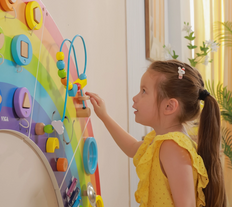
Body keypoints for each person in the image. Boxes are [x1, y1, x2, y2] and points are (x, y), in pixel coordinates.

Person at [86, 60, 226, 207]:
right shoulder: (160, 140)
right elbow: (132, 147)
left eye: (144, 91)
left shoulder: (173, 147)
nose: (135, 97)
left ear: (169, 106)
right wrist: (104, 116)